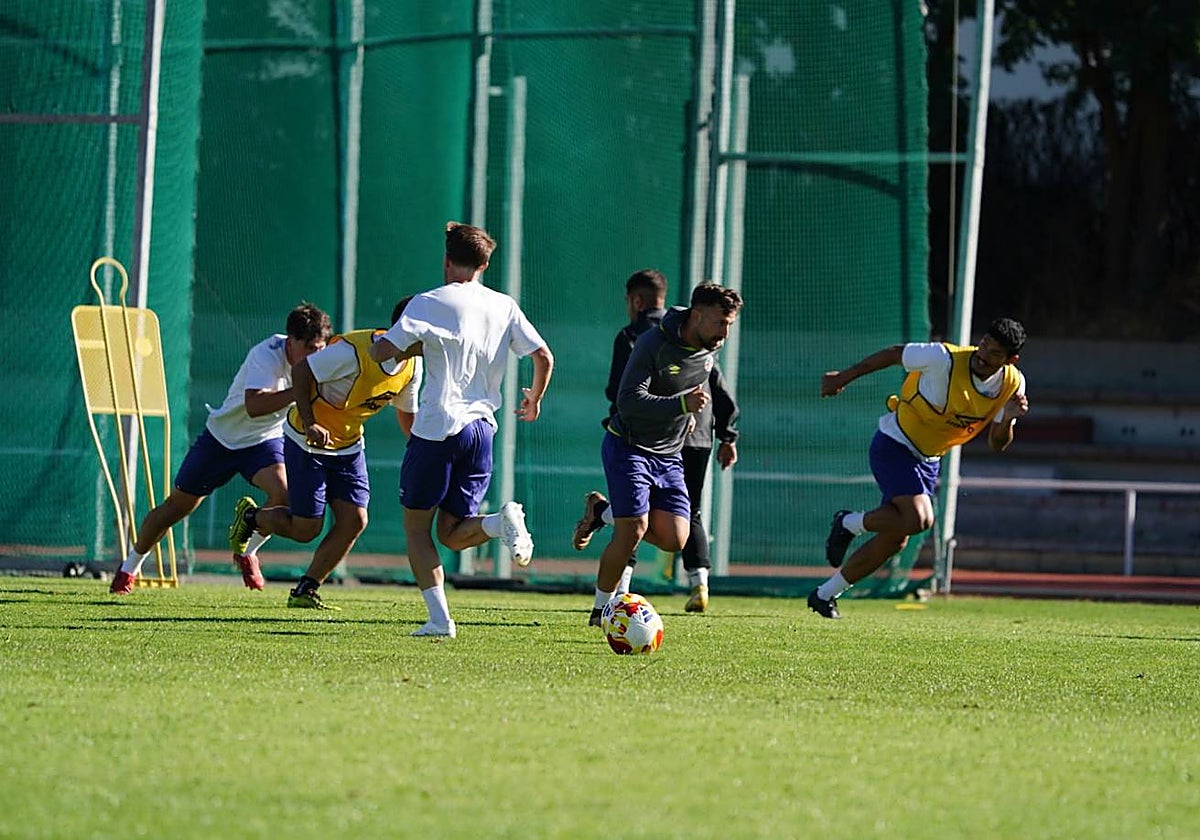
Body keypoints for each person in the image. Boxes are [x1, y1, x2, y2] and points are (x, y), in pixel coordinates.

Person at [369, 221, 554, 639]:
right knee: (452, 535)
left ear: (446, 261)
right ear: (485, 263)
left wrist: (383, 344)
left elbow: (385, 353)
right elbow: (543, 356)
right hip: (482, 429)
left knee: (417, 529)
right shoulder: (503, 305)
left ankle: (440, 621)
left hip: (437, 428)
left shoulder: (427, 301)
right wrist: (534, 399)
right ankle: (499, 522)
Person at [810, 317, 1030, 619]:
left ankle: (824, 595)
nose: (983, 355)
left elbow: (997, 444)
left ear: (1010, 360)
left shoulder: (1013, 384)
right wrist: (844, 377)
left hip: (929, 460)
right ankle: (849, 522)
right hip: (895, 443)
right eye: (983, 345)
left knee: (895, 539)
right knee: (920, 518)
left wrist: (1008, 419)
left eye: (994, 354)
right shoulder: (943, 358)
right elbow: (894, 354)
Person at [109, 303, 331, 595]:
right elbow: (255, 406)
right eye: (311, 348)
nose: (317, 355)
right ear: (291, 342)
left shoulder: (322, 362)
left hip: (263, 442)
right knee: (176, 507)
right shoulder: (266, 354)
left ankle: (247, 551)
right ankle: (129, 568)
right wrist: (300, 391)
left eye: (321, 347)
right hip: (221, 440)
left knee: (285, 495)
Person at [228, 299, 423, 611]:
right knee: (307, 529)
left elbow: (406, 413)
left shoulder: (414, 364)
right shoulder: (352, 351)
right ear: (410, 329)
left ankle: (307, 588)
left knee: (355, 519)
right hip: (307, 442)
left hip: (348, 445)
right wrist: (310, 422)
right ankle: (251, 518)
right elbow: (303, 371)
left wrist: (424, 449)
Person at [573, 282, 744, 626]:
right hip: (629, 446)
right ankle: (599, 611)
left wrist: (727, 434)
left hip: (669, 456)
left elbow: (717, 393)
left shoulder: (710, 350)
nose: (725, 332)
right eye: (719, 323)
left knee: (674, 538)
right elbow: (628, 400)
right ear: (696, 316)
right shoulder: (653, 342)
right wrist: (681, 404)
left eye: (730, 324)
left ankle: (602, 511)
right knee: (633, 529)